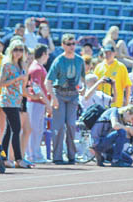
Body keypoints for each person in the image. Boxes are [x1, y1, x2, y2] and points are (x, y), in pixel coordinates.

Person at [45, 33, 86, 165]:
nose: (71, 46)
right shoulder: (58, 61)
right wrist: (53, 97)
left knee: (71, 125)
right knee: (59, 126)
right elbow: (48, 81)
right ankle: (57, 156)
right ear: (63, 45)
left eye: (73, 44)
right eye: (68, 44)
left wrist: (83, 87)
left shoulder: (80, 60)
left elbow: (83, 78)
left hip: (73, 95)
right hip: (60, 94)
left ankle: (72, 155)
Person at [0, 40, 31, 168]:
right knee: (16, 129)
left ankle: (4, 157)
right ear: (11, 50)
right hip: (8, 100)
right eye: (15, 49)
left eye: (21, 49)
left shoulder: (22, 65)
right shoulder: (7, 64)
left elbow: (23, 86)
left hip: (16, 100)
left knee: (9, 130)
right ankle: (18, 159)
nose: (18, 52)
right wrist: (17, 78)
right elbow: (1, 83)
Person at [26, 44, 51, 163]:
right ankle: (32, 154)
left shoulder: (39, 67)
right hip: (36, 102)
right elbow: (36, 87)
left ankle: (36, 153)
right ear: (43, 54)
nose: (48, 56)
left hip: (38, 102)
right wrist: (47, 102)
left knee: (38, 129)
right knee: (34, 129)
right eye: (47, 54)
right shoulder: (37, 68)